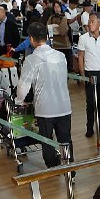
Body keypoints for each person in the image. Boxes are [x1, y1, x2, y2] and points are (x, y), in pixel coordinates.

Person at [17, 22, 73, 167]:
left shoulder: (31, 60)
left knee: (47, 140)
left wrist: (19, 100)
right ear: (47, 37)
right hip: (64, 105)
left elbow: (23, 86)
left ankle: (52, 167)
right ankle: (70, 169)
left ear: (31, 39)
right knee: (66, 139)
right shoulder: (61, 56)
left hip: (45, 108)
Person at [47, 1, 72, 71]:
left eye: (58, 7)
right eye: (55, 7)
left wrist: (55, 28)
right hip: (55, 45)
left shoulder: (64, 17)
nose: (56, 9)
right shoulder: (51, 18)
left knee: (65, 67)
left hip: (65, 45)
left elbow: (62, 31)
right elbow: (49, 29)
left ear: (61, 8)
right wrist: (56, 27)